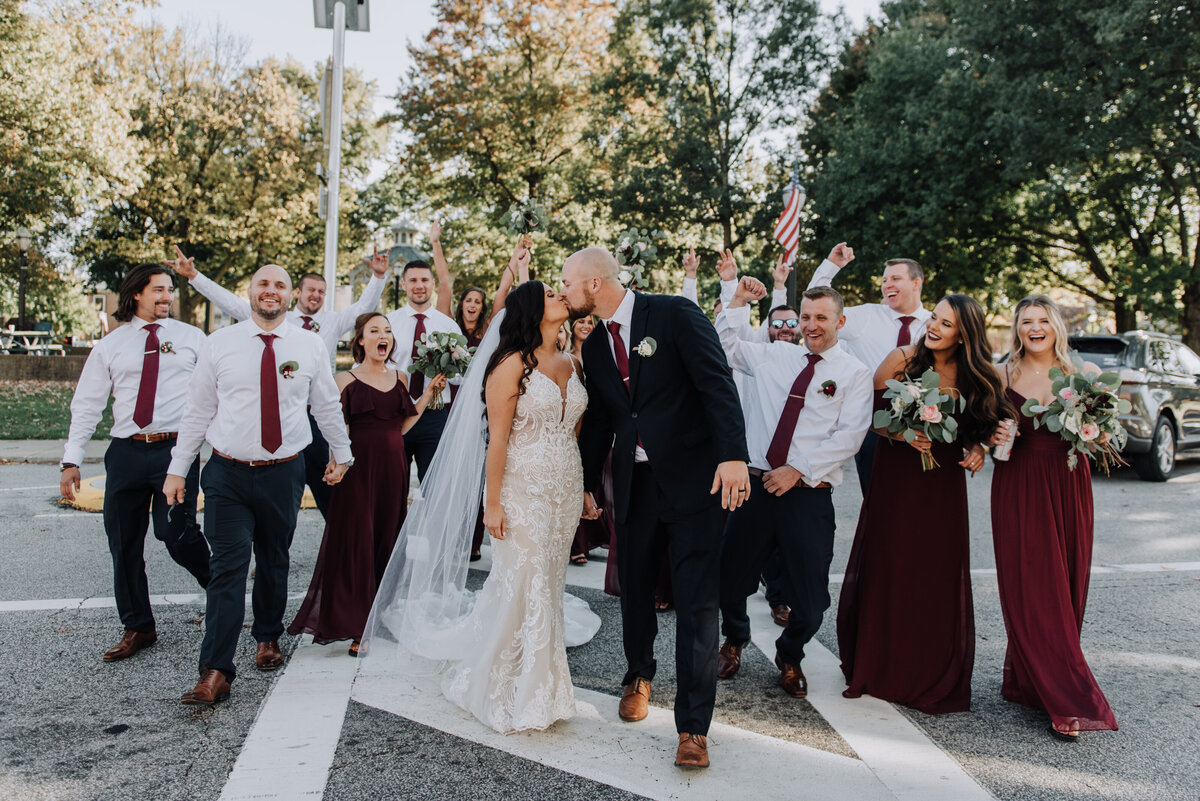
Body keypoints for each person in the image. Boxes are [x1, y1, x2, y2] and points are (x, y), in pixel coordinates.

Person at [357, 281, 601, 734]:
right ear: (531, 310)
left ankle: (546, 686)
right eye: (550, 294)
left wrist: (583, 488)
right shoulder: (509, 365)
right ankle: (501, 685)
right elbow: (500, 440)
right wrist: (492, 504)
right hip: (521, 487)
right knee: (522, 581)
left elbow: (573, 434)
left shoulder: (573, 361)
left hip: (564, 488)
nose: (561, 298)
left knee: (548, 580)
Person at [564, 247, 750, 770]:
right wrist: (585, 483)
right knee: (636, 588)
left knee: (696, 604)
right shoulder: (597, 343)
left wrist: (734, 456)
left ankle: (693, 728)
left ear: (595, 284)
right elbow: (602, 418)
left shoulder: (672, 314)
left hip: (696, 483)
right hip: (635, 485)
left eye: (568, 283)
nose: (564, 291)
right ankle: (638, 675)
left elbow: (718, 385)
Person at [164, 264, 354, 707]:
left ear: (290, 295)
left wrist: (342, 455)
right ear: (249, 292)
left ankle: (268, 636)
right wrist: (177, 469)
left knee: (274, 558)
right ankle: (215, 670)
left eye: (279, 285)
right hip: (227, 474)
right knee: (228, 570)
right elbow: (196, 412)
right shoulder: (220, 344)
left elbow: (326, 404)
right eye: (263, 284)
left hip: (283, 472)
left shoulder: (308, 345)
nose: (271, 291)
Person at [837, 294, 1009, 714]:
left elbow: (983, 424)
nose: (934, 326)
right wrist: (902, 435)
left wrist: (979, 447)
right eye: (934, 317)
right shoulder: (901, 360)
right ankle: (883, 666)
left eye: (946, 324)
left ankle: (931, 667)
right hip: (898, 480)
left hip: (943, 487)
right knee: (893, 565)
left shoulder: (978, 375)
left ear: (965, 334)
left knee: (935, 572)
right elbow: (869, 419)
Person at [714, 279, 872, 696]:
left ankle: (791, 653)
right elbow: (724, 346)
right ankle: (734, 639)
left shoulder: (854, 373)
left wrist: (797, 470)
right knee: (731, 576)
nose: (811, 325)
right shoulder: (773, 356)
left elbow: (849, 436)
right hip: (756, 485)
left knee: (811, 595)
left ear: (840, 320)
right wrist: (737, 301)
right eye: (806, 317)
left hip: (808, 492)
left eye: (821, 317)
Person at [166, 245, 389, 518]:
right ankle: (268, 548)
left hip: (313, 416)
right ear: (297, 293)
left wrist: (378, 277)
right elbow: (228, 300)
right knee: (279, 492)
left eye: (321, 291)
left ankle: (337, 549)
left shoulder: (332, 322)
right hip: (269, 416)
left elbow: (364, 307)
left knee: (332, 493)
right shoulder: (269, 314)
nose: (316, 295)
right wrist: (194, 276)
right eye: (310, 290)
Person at [60, 264, 211, 662]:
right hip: (126, 452)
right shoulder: (110, 345)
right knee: (124, 544)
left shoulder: (193, 338)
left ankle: (220, 590)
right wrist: (71, 459)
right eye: (159, 290)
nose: (167, 297)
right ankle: (138, 626)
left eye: (170, 290)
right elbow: (88, 405)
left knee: (174, 534)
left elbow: (216, 393)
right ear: (137, 294)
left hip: (174, 452)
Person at [991, 295, 1118, 741]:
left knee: (1064, 586)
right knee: (1031, 583)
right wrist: (995, 433)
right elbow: (985, 430)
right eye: (1026, 321)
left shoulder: (1084, 376)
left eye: (1043, 320)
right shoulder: (1001, 373)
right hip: (1018, 483)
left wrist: (1097, 430)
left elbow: (1102, 439)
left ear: (1056, 326)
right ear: (1017, 329)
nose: (1034, 328)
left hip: (1068, 485)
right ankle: (1064, 698)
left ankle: (1033, 679)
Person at [288, 313, 445, 655]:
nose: (382, 335)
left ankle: (373, 614)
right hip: (358, 468)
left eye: (387, 330)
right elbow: (334, 426)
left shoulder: (401, 376)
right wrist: (335, 460)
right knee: (355, 539)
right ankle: (354, 622)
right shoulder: (343, 379)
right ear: (361, 340)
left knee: (384, 539)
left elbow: (402, 425)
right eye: (374, 331)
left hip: (394, 469)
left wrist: (430, 391)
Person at [806, 243, 932, 490]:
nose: (887, 285)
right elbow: (817, 303)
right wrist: (831, 266)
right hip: (874, 427)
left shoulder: (934, 323)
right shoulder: (865, 316)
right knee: (877, 501)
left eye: (896, 278)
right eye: (884, 280)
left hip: (925, 428)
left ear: (917, 283)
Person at [386, 257, 463, 483]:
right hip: (395, 414)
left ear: (432, 284)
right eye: (413, 280)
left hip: (434, 415)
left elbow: (460, 377)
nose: (418, 285)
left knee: (435, 485)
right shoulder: (388, 323)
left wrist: (447, 371)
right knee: (393, 484)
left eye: (424, 280)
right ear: (403, 284)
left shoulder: (448, 326)